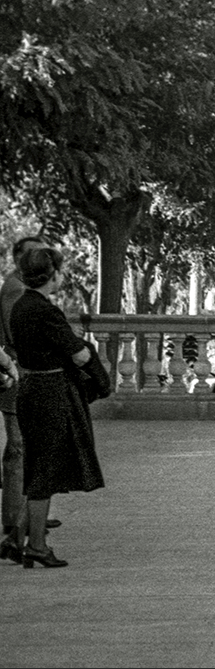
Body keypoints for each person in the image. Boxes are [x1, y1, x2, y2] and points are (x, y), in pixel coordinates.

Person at [4, 247, 104, 568]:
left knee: (37, 464)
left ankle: (18, 537)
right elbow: (78, 354)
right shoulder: (44, 311)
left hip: (31, 386)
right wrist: (95, 366)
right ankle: (35, 545)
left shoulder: (22, 305)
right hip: (49, 391)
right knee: (43, 469)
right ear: (53, 275)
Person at [0, 235, 60, 561]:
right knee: (20, 451)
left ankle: (25, 520)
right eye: (35, 254)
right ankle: (15, 526)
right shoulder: (15, 289)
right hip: (18, 377)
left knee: (26, 451)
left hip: (23, 375)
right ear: (20, 257)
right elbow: (17, 334)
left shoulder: (23, 288)